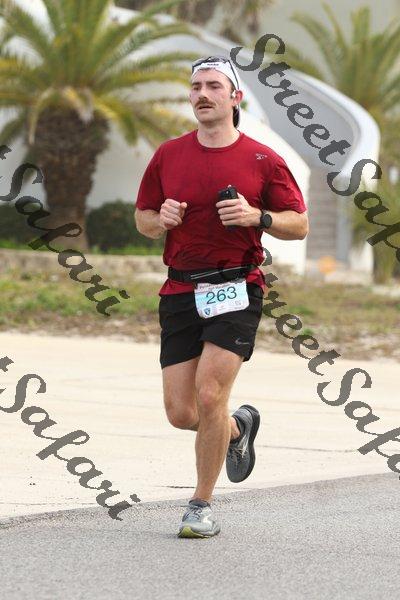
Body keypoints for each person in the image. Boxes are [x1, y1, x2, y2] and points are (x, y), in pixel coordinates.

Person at [135, 56, 308, 538]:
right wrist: (160, 220)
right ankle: (237, 428)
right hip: (180, 288)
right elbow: (143, 218)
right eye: (195, 86)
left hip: (237, 287)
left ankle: (200, 507)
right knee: (182, 413)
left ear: (235, 98)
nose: (202, 94)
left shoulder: (262, 159)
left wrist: (259, 217)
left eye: (213, 86)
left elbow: (299, 224)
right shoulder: (168, 154)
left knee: (211, 394)